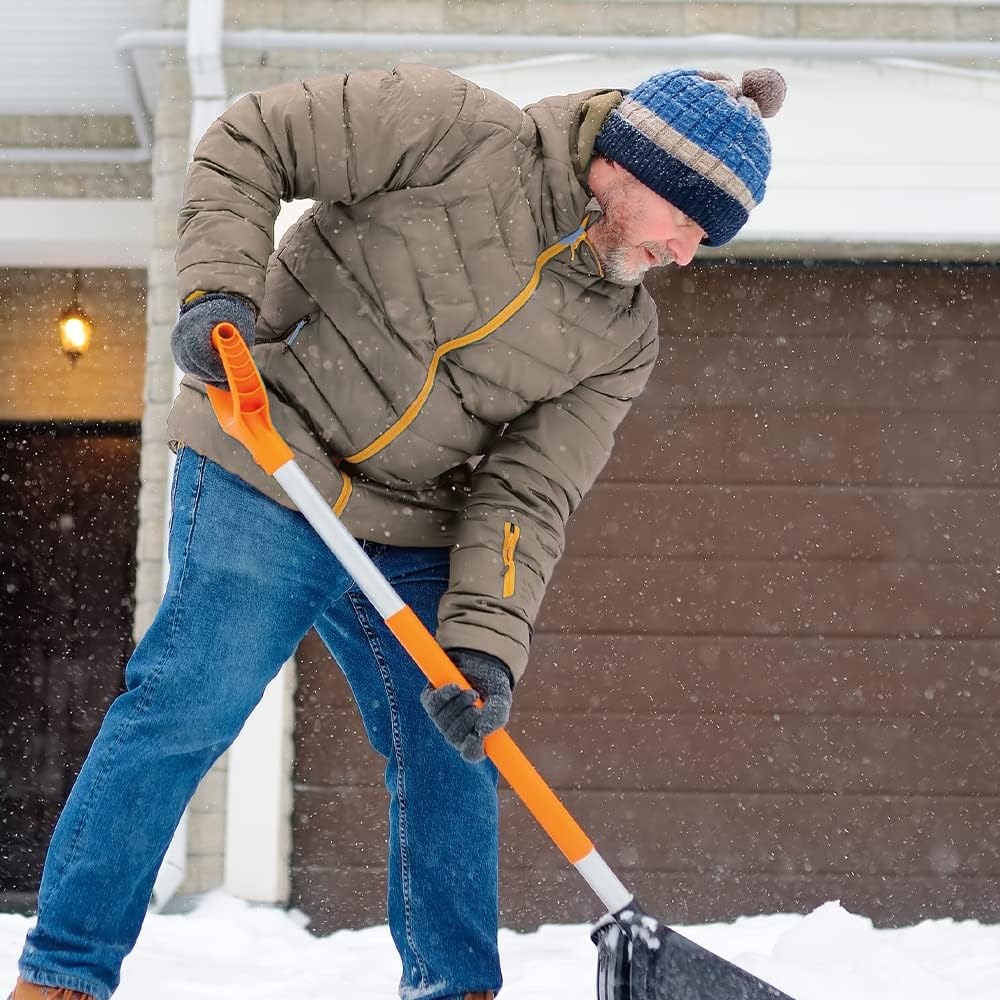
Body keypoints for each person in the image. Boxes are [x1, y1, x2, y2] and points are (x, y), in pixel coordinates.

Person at [10, 62, 784, 1000]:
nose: (689, 254)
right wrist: (221, 291)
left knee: (453, 750)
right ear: (638, 169)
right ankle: (65, 977)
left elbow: (529, 492)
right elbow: (250, 138)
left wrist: (485, 649)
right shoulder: (452, 129)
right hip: (268, 449)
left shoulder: (621, 337)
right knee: (188, 703)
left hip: (415, 518)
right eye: (691, 224)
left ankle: (455, 987)